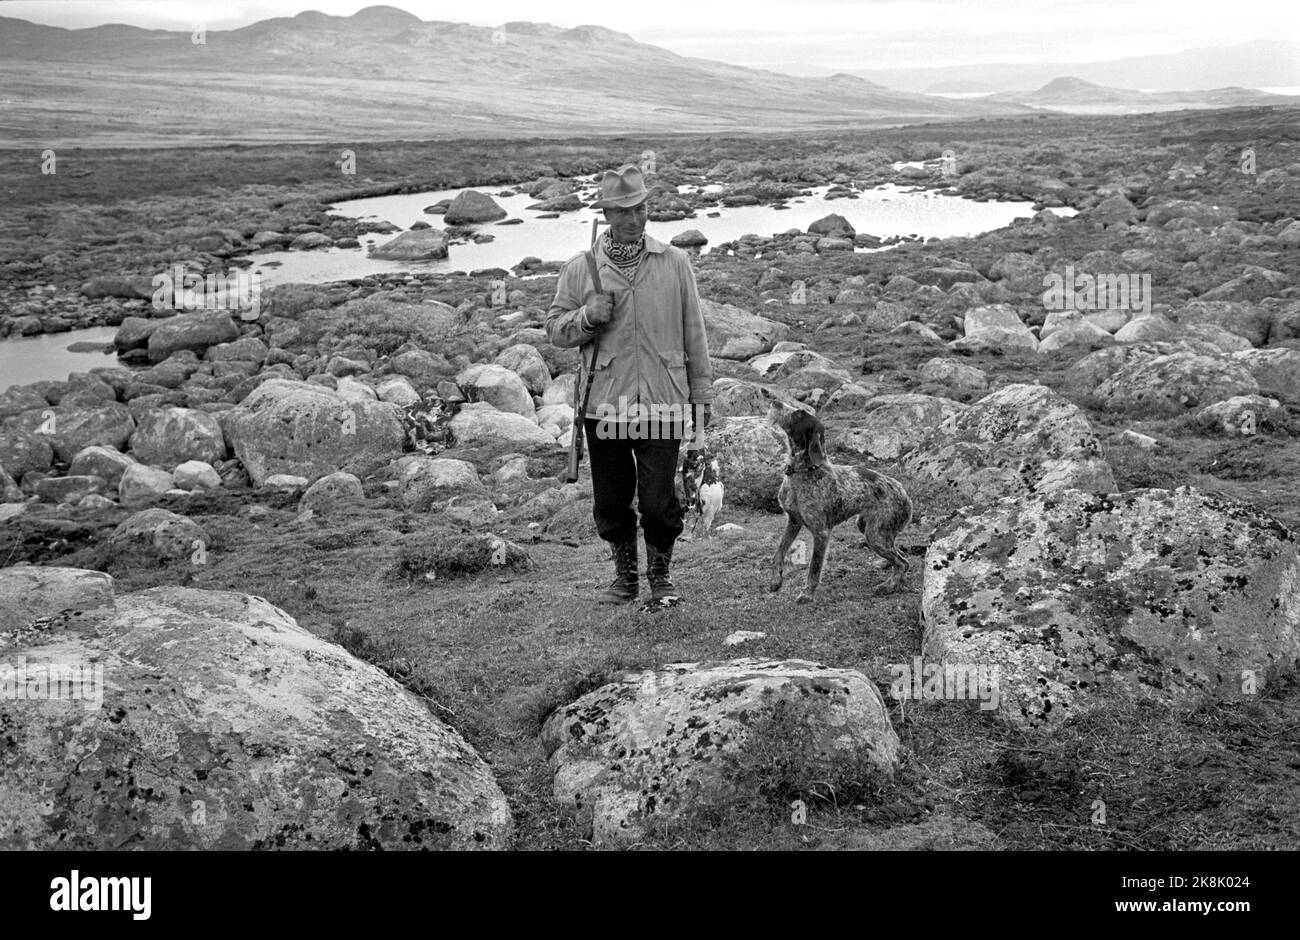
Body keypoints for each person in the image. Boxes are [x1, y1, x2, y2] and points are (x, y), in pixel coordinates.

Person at [545, 163, 713, 605]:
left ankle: (661, 578)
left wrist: (702, 400)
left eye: (640, 209)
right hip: (605, 403)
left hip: (665, 402)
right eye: (623, 212)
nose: (634, 220)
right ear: (605, 214)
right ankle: (625, 579)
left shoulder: (674, 263)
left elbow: (694, 332)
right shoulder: (581, 270)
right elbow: (555, 330)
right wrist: (585, 317)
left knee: (659, 502)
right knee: (613, 503)